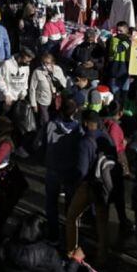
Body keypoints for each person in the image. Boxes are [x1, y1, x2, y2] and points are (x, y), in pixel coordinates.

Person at [64, 111, 114, 262]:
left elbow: (82, 171)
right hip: (103, 187)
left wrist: (73, 185)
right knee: (102, 223)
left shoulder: (85, 142)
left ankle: (71, 251)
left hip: (88, 186)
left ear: (85, 123)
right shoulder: (106, 137)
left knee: (72, 217)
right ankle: (102, 256)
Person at [44, 100, 81, 242]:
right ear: (75, 111)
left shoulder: (51, 125)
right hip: (70, 170)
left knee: (51, 204)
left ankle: (53, 235)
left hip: (53, 168)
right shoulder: (78, 130)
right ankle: (70, 237)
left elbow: (40, 143)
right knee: (71, 205)